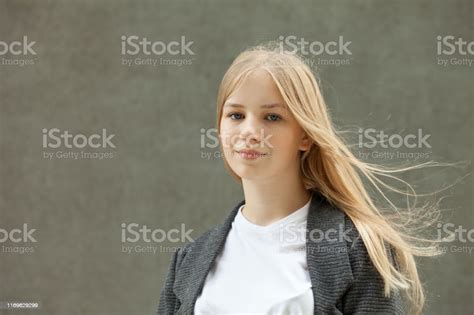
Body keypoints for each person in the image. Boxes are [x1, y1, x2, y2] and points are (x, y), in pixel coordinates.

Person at [157, 43, 444, 315]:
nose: (250, 132)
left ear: (305, 135)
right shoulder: (188, 262)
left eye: (272, 117)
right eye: (235, 115)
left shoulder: (360, 250)